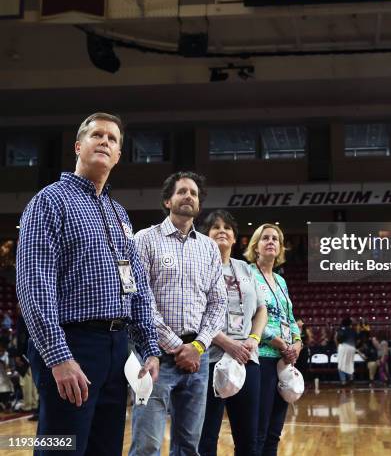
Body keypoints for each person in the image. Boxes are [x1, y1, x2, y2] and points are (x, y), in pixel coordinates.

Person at [16, 112, 160, 456]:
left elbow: (136, 283)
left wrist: (149, 346)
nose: (105, 142)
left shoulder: (119, 213)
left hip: (116, 348)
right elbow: (34, 285)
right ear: (79, 146)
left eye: (113, 139)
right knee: (61, 449)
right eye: (97, 135)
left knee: (105, 448)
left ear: (119, 156)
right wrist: (58, 356)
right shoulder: (49, 201)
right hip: (72, 343)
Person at [129, 172, 227, 456]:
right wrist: (176, 346)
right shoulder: (145, 239)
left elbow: (218, 303)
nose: (189, 196)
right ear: (167, 200)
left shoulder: (209, 247)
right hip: (154, 354)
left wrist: (197, 347)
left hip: (199, 358)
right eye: (182, 191)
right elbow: (140, 299)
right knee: (147, 444)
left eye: (194, 193)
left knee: (188, 446)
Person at [198, 210, 267, 456]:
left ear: (235, 238)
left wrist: (253, 339)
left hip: (247, 358)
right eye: (215, 227)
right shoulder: (198, 267)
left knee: (248, 439)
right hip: (210, 358)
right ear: (205, 235)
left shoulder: (247, 270)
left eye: (227, 228)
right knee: (205, 439)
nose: (222, 231)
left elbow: (262, 310)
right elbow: (195, 315)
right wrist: (228, 344)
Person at [244, 223, 302, 456]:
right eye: (265, 238)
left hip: (284, 360)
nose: (271, 242)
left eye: (275, 239)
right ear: (255, 246)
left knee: (274, 432)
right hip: (261, 358)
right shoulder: (248, 273)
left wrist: (297, 343)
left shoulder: (281, 280)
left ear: (280, 248)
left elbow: (290, 317)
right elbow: (247, 315)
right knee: (258, 430)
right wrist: (275, 340)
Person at [336, 317, 357, 386]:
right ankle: (351, 378)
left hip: (344, 347)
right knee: (350, 363)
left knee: (341, 364)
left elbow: (338, 339)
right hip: (352, 347)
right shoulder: (353, 330)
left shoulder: (341, 329)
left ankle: (343, 381)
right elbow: (357, 339)